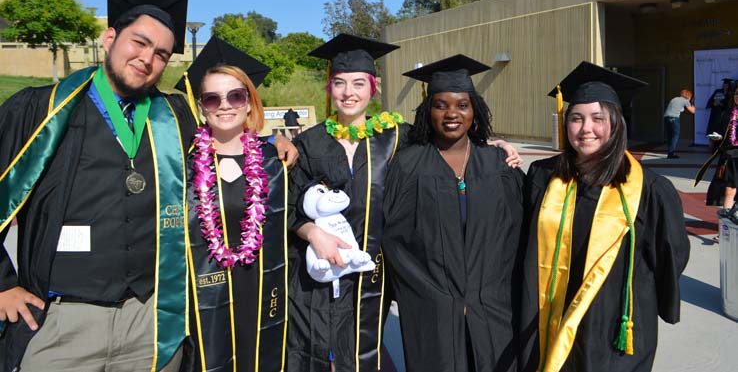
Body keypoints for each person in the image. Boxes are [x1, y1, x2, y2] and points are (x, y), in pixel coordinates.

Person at [0, 0, 297, 372]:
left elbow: (225, 127)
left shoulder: (173, 115)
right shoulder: (41, 109)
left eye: (160, 54)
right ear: (109, 38)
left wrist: (271, 138)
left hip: (151, 322)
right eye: (139, 43)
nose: (146, 59)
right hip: (64, 321)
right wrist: (3, 283)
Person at [287, 36, 522, 372]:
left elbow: (449, 135)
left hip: (379, 273)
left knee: (367, 349)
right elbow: (289, 200)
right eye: (339, 83)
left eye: (358, 83)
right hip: (323, 268)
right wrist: (277, 141)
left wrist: (493, 144)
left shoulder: (396, 136)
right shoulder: (308, 142)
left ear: (374, 87)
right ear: (329, 88)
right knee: (321, 349)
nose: (348, 92)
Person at [519, 62, 690, 372]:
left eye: (598, 118)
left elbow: (670, 256)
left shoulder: (649, 191)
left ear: (616, 123)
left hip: (612, 326)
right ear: (564, 123)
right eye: (576, 118)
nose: (586, 129)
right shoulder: (542, 177)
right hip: (548, 317)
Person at [381, 55, 525, 372]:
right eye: (440, 105)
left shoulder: (498, 165)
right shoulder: (408, 166)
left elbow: (517, 237)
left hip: (492, 304)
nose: (451, 114)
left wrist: (482, 292)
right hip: (433, 308)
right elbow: (396, 243)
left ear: (475, 112)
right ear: (427, 112)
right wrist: (442, 297)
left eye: (462, 105)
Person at [180, 37, 288, 372]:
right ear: (201, 107)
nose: (225, 105)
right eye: (213, 98)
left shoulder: (276, 159)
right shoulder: (183, 162)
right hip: (204, 293)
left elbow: (296, 216)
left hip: (261, 289)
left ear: (249, 102)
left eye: (236, 95)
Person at [663, 88, 695, 159]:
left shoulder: (674, 99)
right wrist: (692, 104)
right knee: (675, 135)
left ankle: (669, 151)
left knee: (669, 135)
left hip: (666, 118)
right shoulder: (685, 101)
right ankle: (671, 153)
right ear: (688, 96)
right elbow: (693, 111)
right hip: (674, 118)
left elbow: (679, 109)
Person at [706, 78, 732, 142]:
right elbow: (711, 101)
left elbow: (730, 105)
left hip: (724, 114)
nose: (725, 86)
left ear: (729, 86)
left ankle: (720, 144)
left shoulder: (730, 94)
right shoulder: (718, 91)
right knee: (713, 129)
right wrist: (714, 103)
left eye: (726, 85)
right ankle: (712, 144)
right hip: (715, 113)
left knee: (722, 130)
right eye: (724, 85)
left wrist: (722, 104)